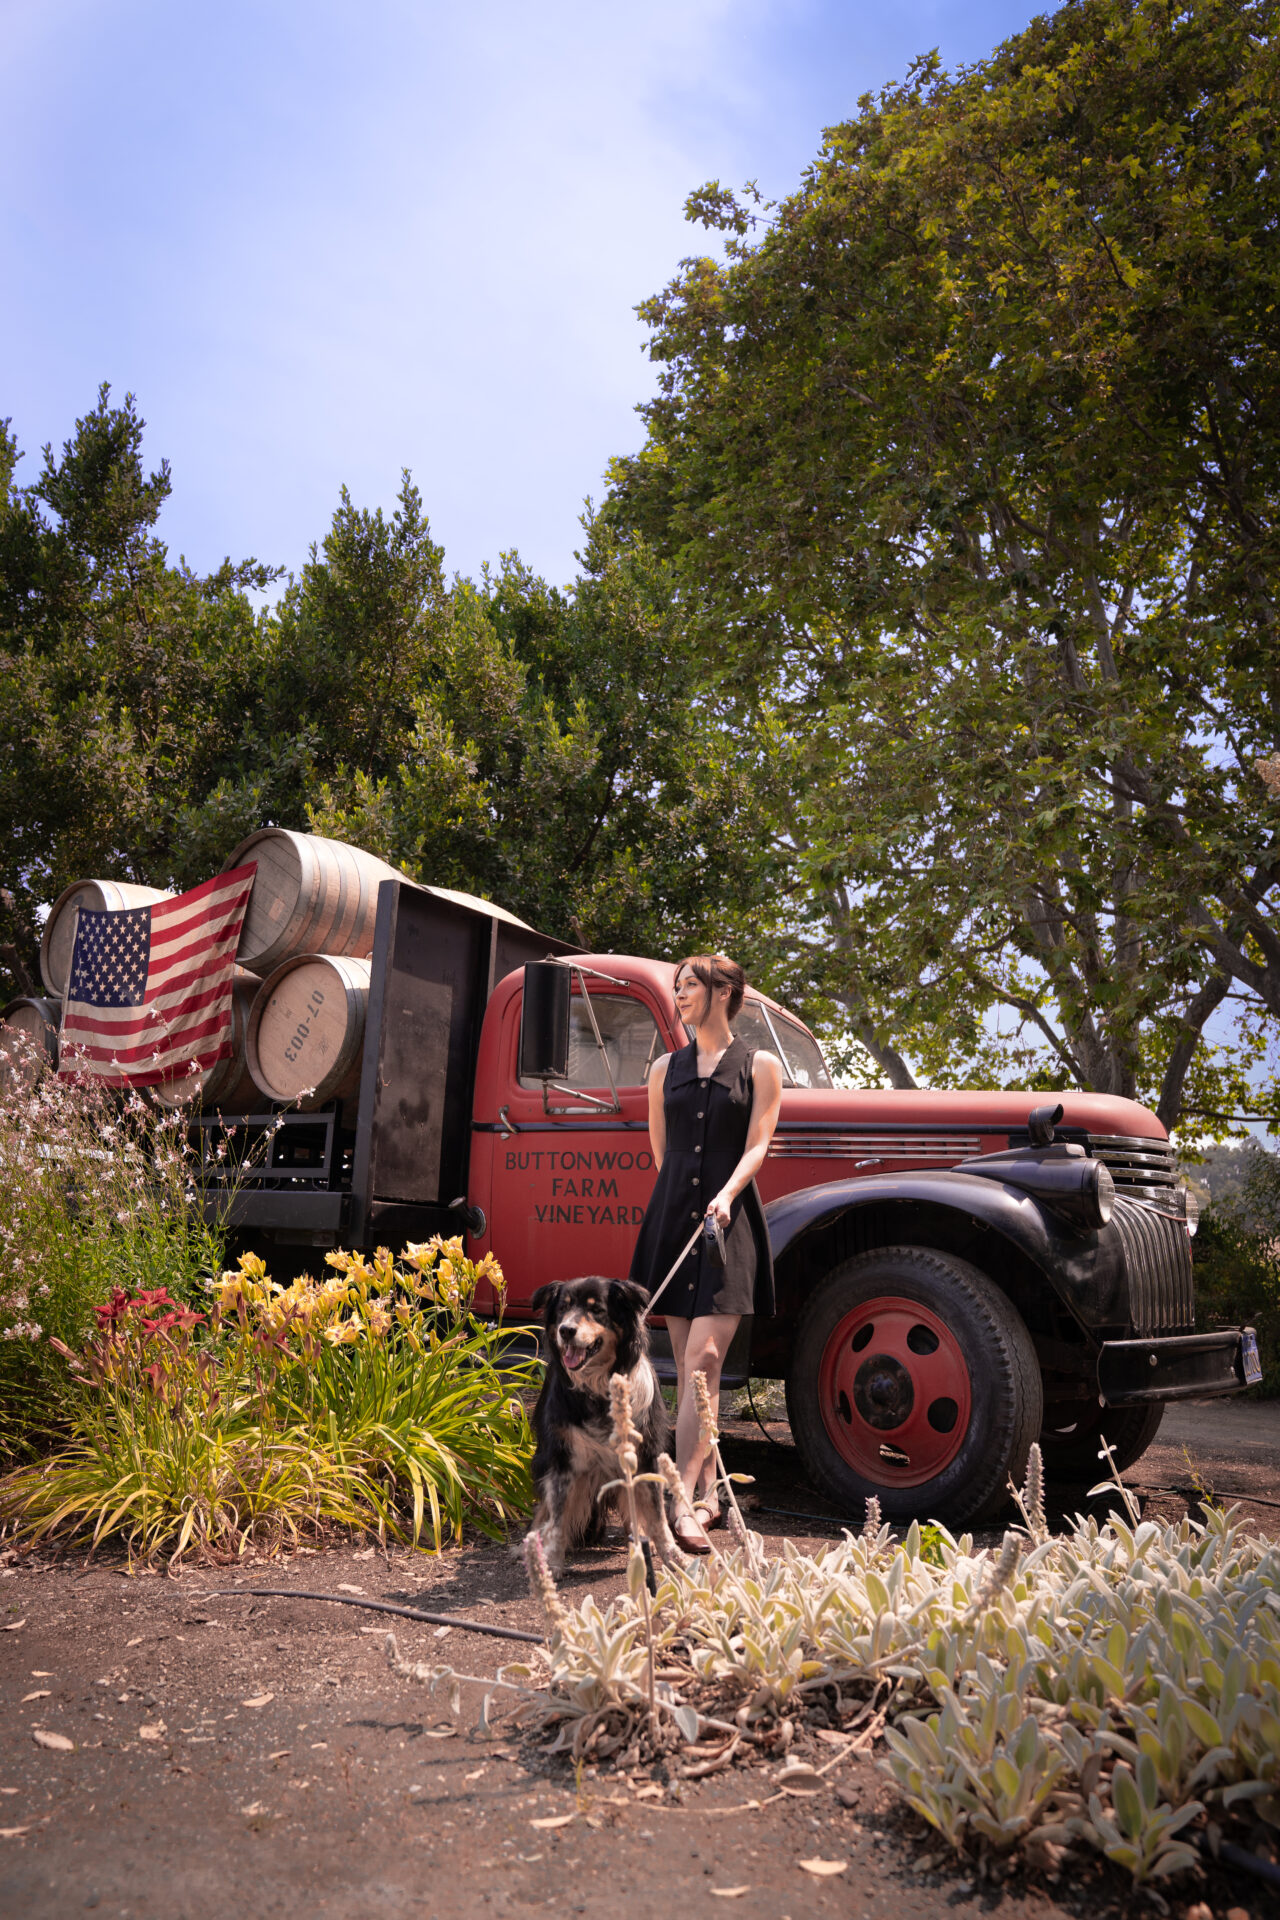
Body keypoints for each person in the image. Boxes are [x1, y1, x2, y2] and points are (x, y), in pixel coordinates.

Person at [629, 954, 782, 1554]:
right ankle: (710, 1496)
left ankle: (679, 1499)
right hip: (674, 1225)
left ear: (724, 992)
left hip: (730, 1224)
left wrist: (724, 1194)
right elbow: (661, 1152)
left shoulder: (761, 1066)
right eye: (676, 987)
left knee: (705, 1361)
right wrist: (688, 1202)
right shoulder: (665, 1069)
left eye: (689, 985)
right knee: (694, 1372)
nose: (679, 995)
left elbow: (759, 1145)